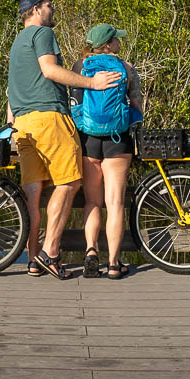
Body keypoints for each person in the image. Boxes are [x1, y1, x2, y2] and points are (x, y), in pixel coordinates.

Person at [7, 0, 122, 280]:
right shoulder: (41, 34)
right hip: (49, 119)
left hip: (23, 124)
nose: (52, 8)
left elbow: (13, 88)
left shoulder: (17, 42)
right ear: (35, 10)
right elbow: (49, 70)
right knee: (69, 183)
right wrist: (92, 83)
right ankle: (50, 252)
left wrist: (12, 120)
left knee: (33, 195)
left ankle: (34, 261)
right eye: (48, 4)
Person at [71, 24, 142, 280]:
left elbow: (74, 105)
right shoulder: (127, 68)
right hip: (117, 140)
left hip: (88, 140)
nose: (119, 44)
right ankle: (113, 263)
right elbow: (136, 104)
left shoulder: (80, 68)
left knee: (92, 201)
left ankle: (91, 251)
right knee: (115, 203)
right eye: (117, 40)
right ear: (109, 44)